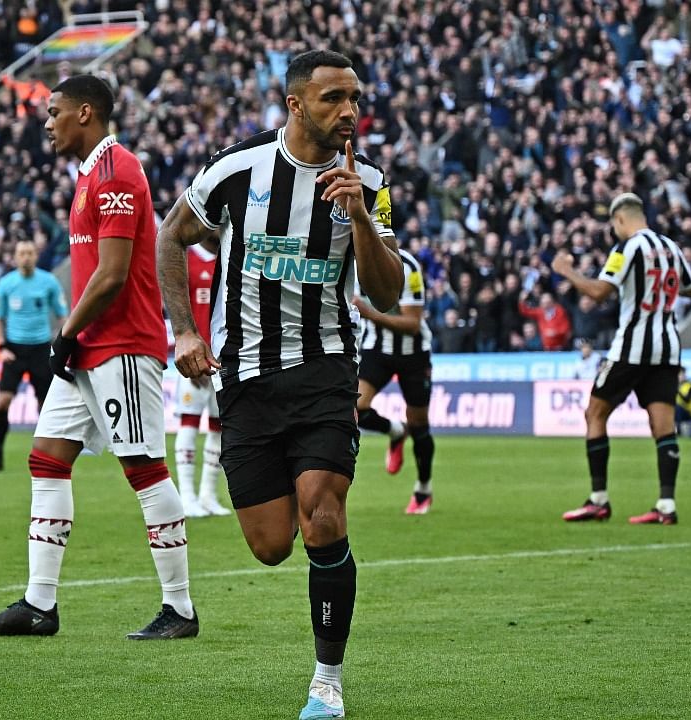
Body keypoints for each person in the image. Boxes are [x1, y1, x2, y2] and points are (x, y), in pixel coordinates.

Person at [156, 50, 403, 719]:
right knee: (269, 545)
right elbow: (171, 238)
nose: (348, 111)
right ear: (295, 104)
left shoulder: (372, 182)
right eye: (332, 99)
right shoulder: (237, 169)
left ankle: (328, 681)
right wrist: (184, 330)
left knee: (322, 513)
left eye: (354, 97)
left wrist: (358, 219)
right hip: (245, 380)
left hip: (325, 373)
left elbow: (389, 289)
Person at [0, 75, 198, 640]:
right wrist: (73, 338)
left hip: (120, 344)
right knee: (46, 458)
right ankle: (39, 603)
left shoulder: (118, 171)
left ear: (85, 113)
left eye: (54, 112)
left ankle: (181, 609)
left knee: (144, 468)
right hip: (90, 347)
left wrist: (64, 334)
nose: (46, 123)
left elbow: (113, 274)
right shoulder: (88, 176)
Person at [553, 193, 691, 525]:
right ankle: (666, 505)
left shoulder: (627, 248)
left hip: (632, 346)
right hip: (667, 347)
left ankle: (598, 500)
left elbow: (600, 292)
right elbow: (688, 288)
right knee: (663, 425)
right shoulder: (671, 248)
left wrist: (568, 272)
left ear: (620, 219)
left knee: (595, 412)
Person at [353, 247, 436, 515]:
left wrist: (371, 314)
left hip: (414, 354)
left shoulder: (408, 267)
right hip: (376, 350)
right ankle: (395, 431)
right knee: (355, 408)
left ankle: (423, 489)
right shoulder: (351, 261)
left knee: (420, 424)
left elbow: (413, 323)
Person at [0, 239, 67, 472]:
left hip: (41, 348)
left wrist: (64, 342)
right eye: (22, 253)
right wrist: (2, 346)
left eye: (30, 253)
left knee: (46, 406)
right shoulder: (6, 284)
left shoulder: (48, 282)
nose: (26, 257)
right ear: (16, 256)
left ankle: (50, 457)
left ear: (35, 255)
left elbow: (62, 315)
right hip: (14, 349)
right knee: (3, 401)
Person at [173, 243, 230, 518]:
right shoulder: (188, 259)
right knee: (189, 422)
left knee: (218, 427)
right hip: (194, 358)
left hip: (223, 359)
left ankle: (208, 494)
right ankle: (186, 496)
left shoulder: (229, 256)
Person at [674, 367, 691, 437]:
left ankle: (678, 432)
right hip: (677, 412)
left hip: (689, 412)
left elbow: (687, 400)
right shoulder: (675, 385)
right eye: (678, 375)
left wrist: (678, 391)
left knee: (678, 408)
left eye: (681, 374)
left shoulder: (690, 386)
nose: (680, 376)